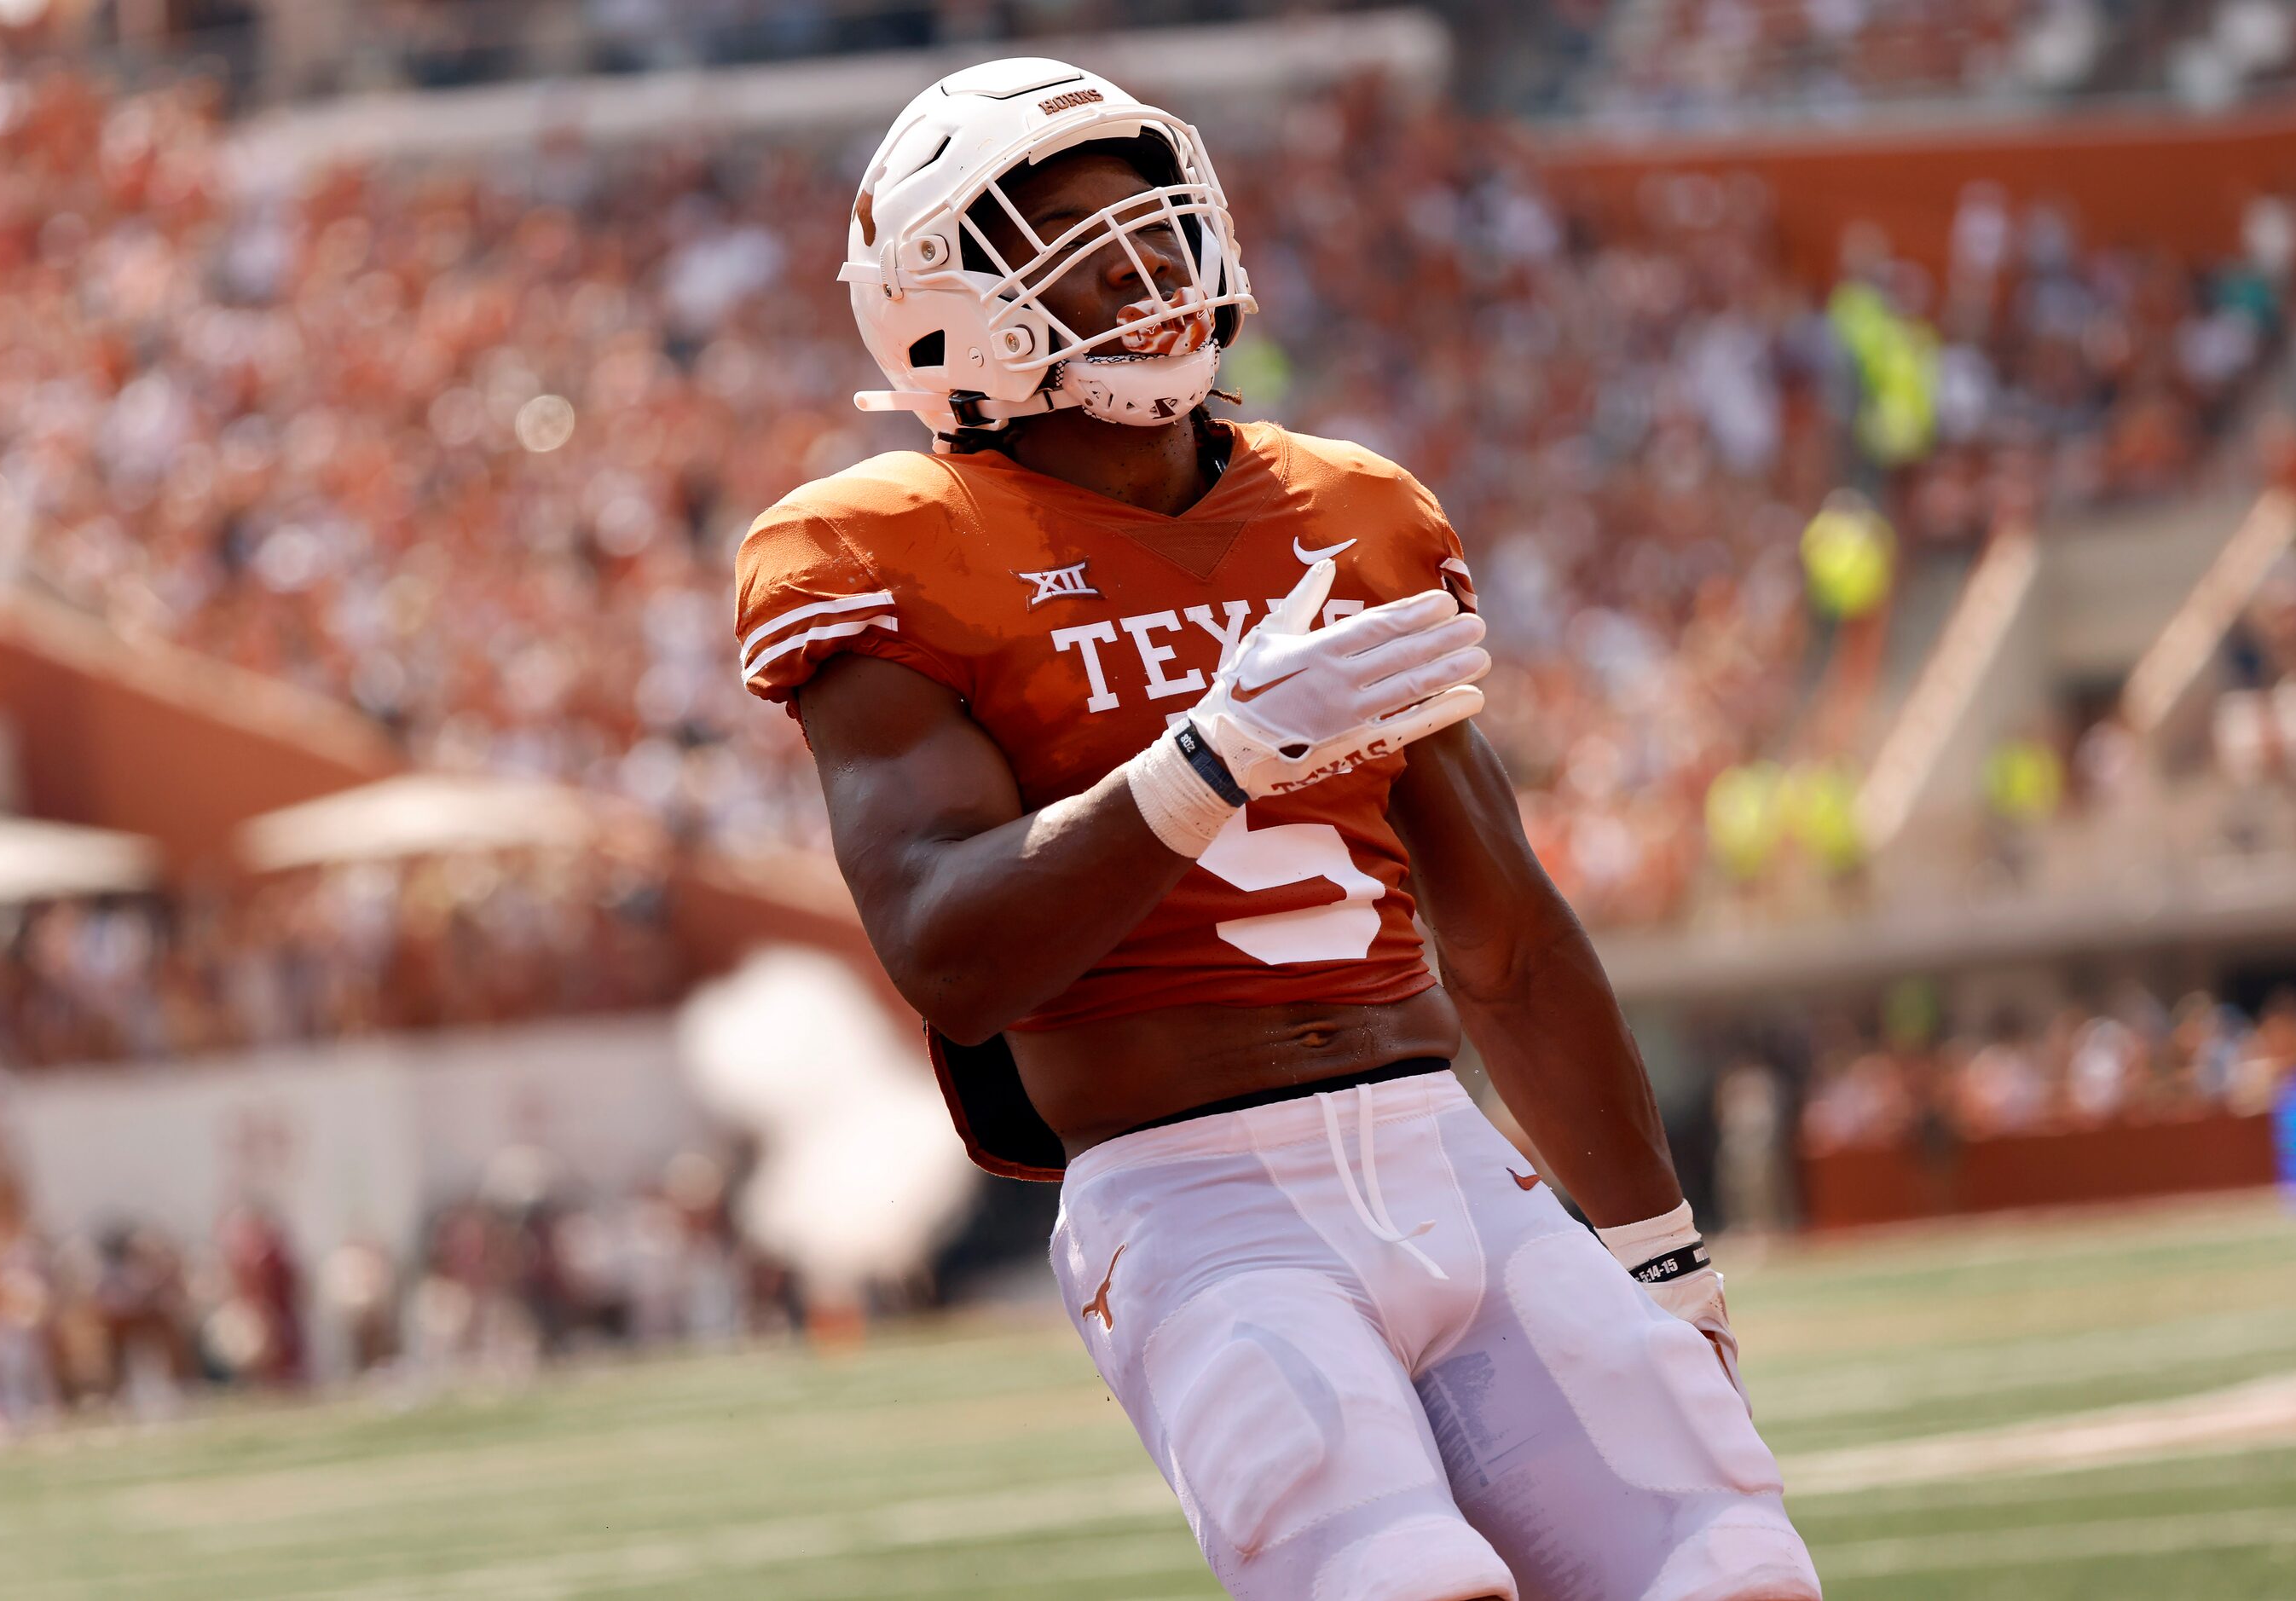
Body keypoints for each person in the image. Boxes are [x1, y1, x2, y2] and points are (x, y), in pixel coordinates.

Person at [733, 59, 1819, 1601]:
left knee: (1732, 1569)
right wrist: (1218, 755)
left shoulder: (1350, 508)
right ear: (942, 301)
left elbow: (1502, 936)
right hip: (1194, 1203)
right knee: (1393, 1583)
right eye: (1071, 243)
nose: (1140, 269)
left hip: (1446, 1152)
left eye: (1153, 229)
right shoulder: (884, 544)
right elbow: (949, 955)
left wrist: (1659, 1250)